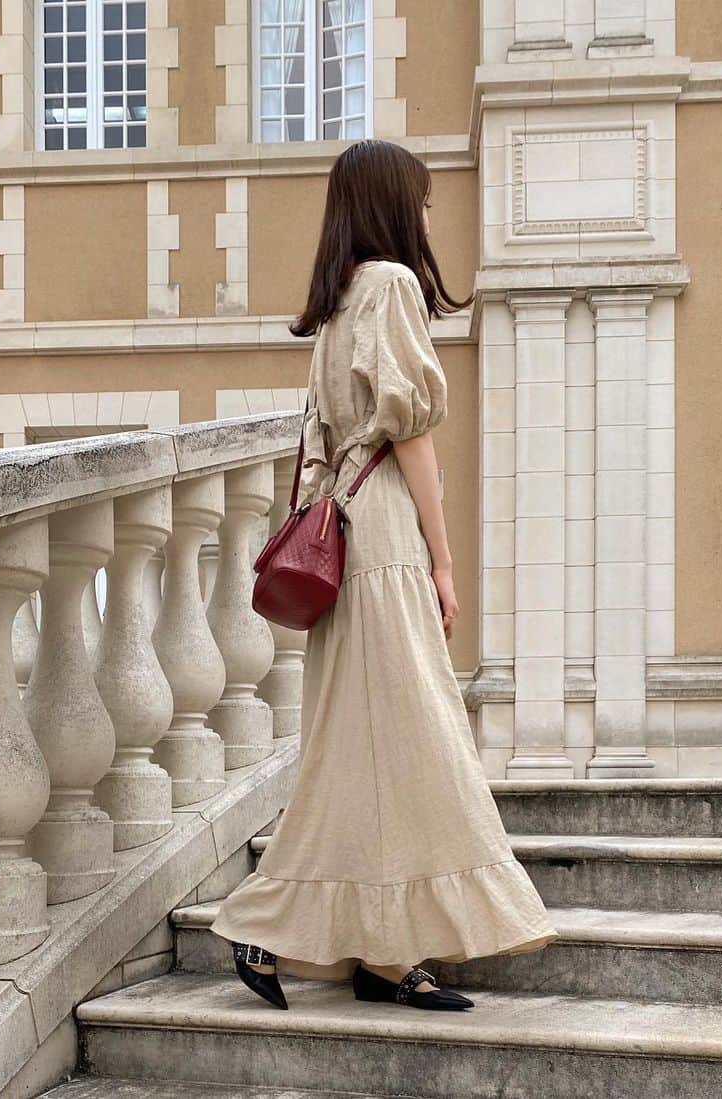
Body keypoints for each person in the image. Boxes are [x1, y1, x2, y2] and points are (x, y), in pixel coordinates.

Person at [209, 139, 559, 1012]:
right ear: (394, 208)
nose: (430, 217)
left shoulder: (332, 315)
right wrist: (444, 561)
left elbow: (321, 448)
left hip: (340, 549)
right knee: (424, 737)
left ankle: (385, 953)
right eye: (423, 201)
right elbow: (412, 437)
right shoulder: (393, 289)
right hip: (385, 541)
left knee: (365, 754)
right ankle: (273, 922)